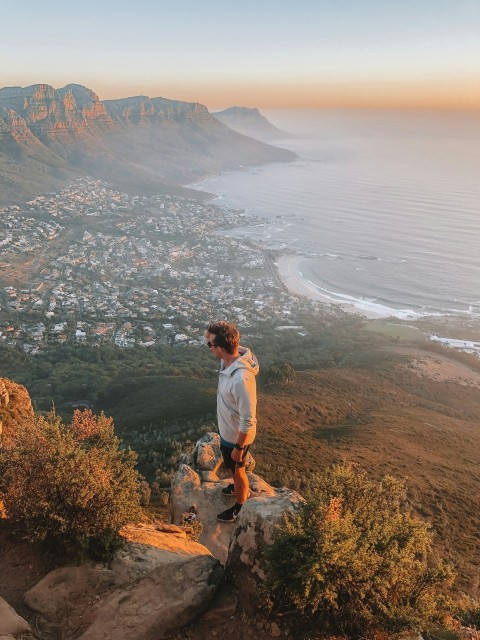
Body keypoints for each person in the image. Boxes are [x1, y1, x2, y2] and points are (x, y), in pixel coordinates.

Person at [204, 320, 259, 523]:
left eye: (210, 345)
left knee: (238, 470)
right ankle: (237, 486)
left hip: (237, 436)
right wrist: (213, 330)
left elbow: (248, 419)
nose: (208, 347)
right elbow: (209, 336)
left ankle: (240, 505)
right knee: (231, 467)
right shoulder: (229, 359)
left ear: (220, 349)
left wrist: (239, 446)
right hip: (229, 432)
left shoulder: (241, 379)